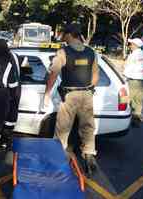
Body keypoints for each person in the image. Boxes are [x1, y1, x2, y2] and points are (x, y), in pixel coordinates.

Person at [44, 24, 99, 176]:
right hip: (87, 94)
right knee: (88, 127)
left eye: (63, 34)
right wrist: (87, 90)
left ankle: (58, 159)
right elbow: (95, 77)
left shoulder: (63, 52)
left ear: (69, 35)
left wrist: (47, 94)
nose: (62, 38)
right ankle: (89, 156)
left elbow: (53, 73)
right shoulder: (90, 52)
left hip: (70, 96)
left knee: (63, 128)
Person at [123, 38, 143, 127]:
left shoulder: (133, 55)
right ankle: (137, 118)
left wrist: (123, 78)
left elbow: (128, 69)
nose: (129, 46)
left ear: (135, 45)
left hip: (133, 80)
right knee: (138, 100)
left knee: (129, 99)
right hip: (142, 80)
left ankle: (127, 119)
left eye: (130, 44)